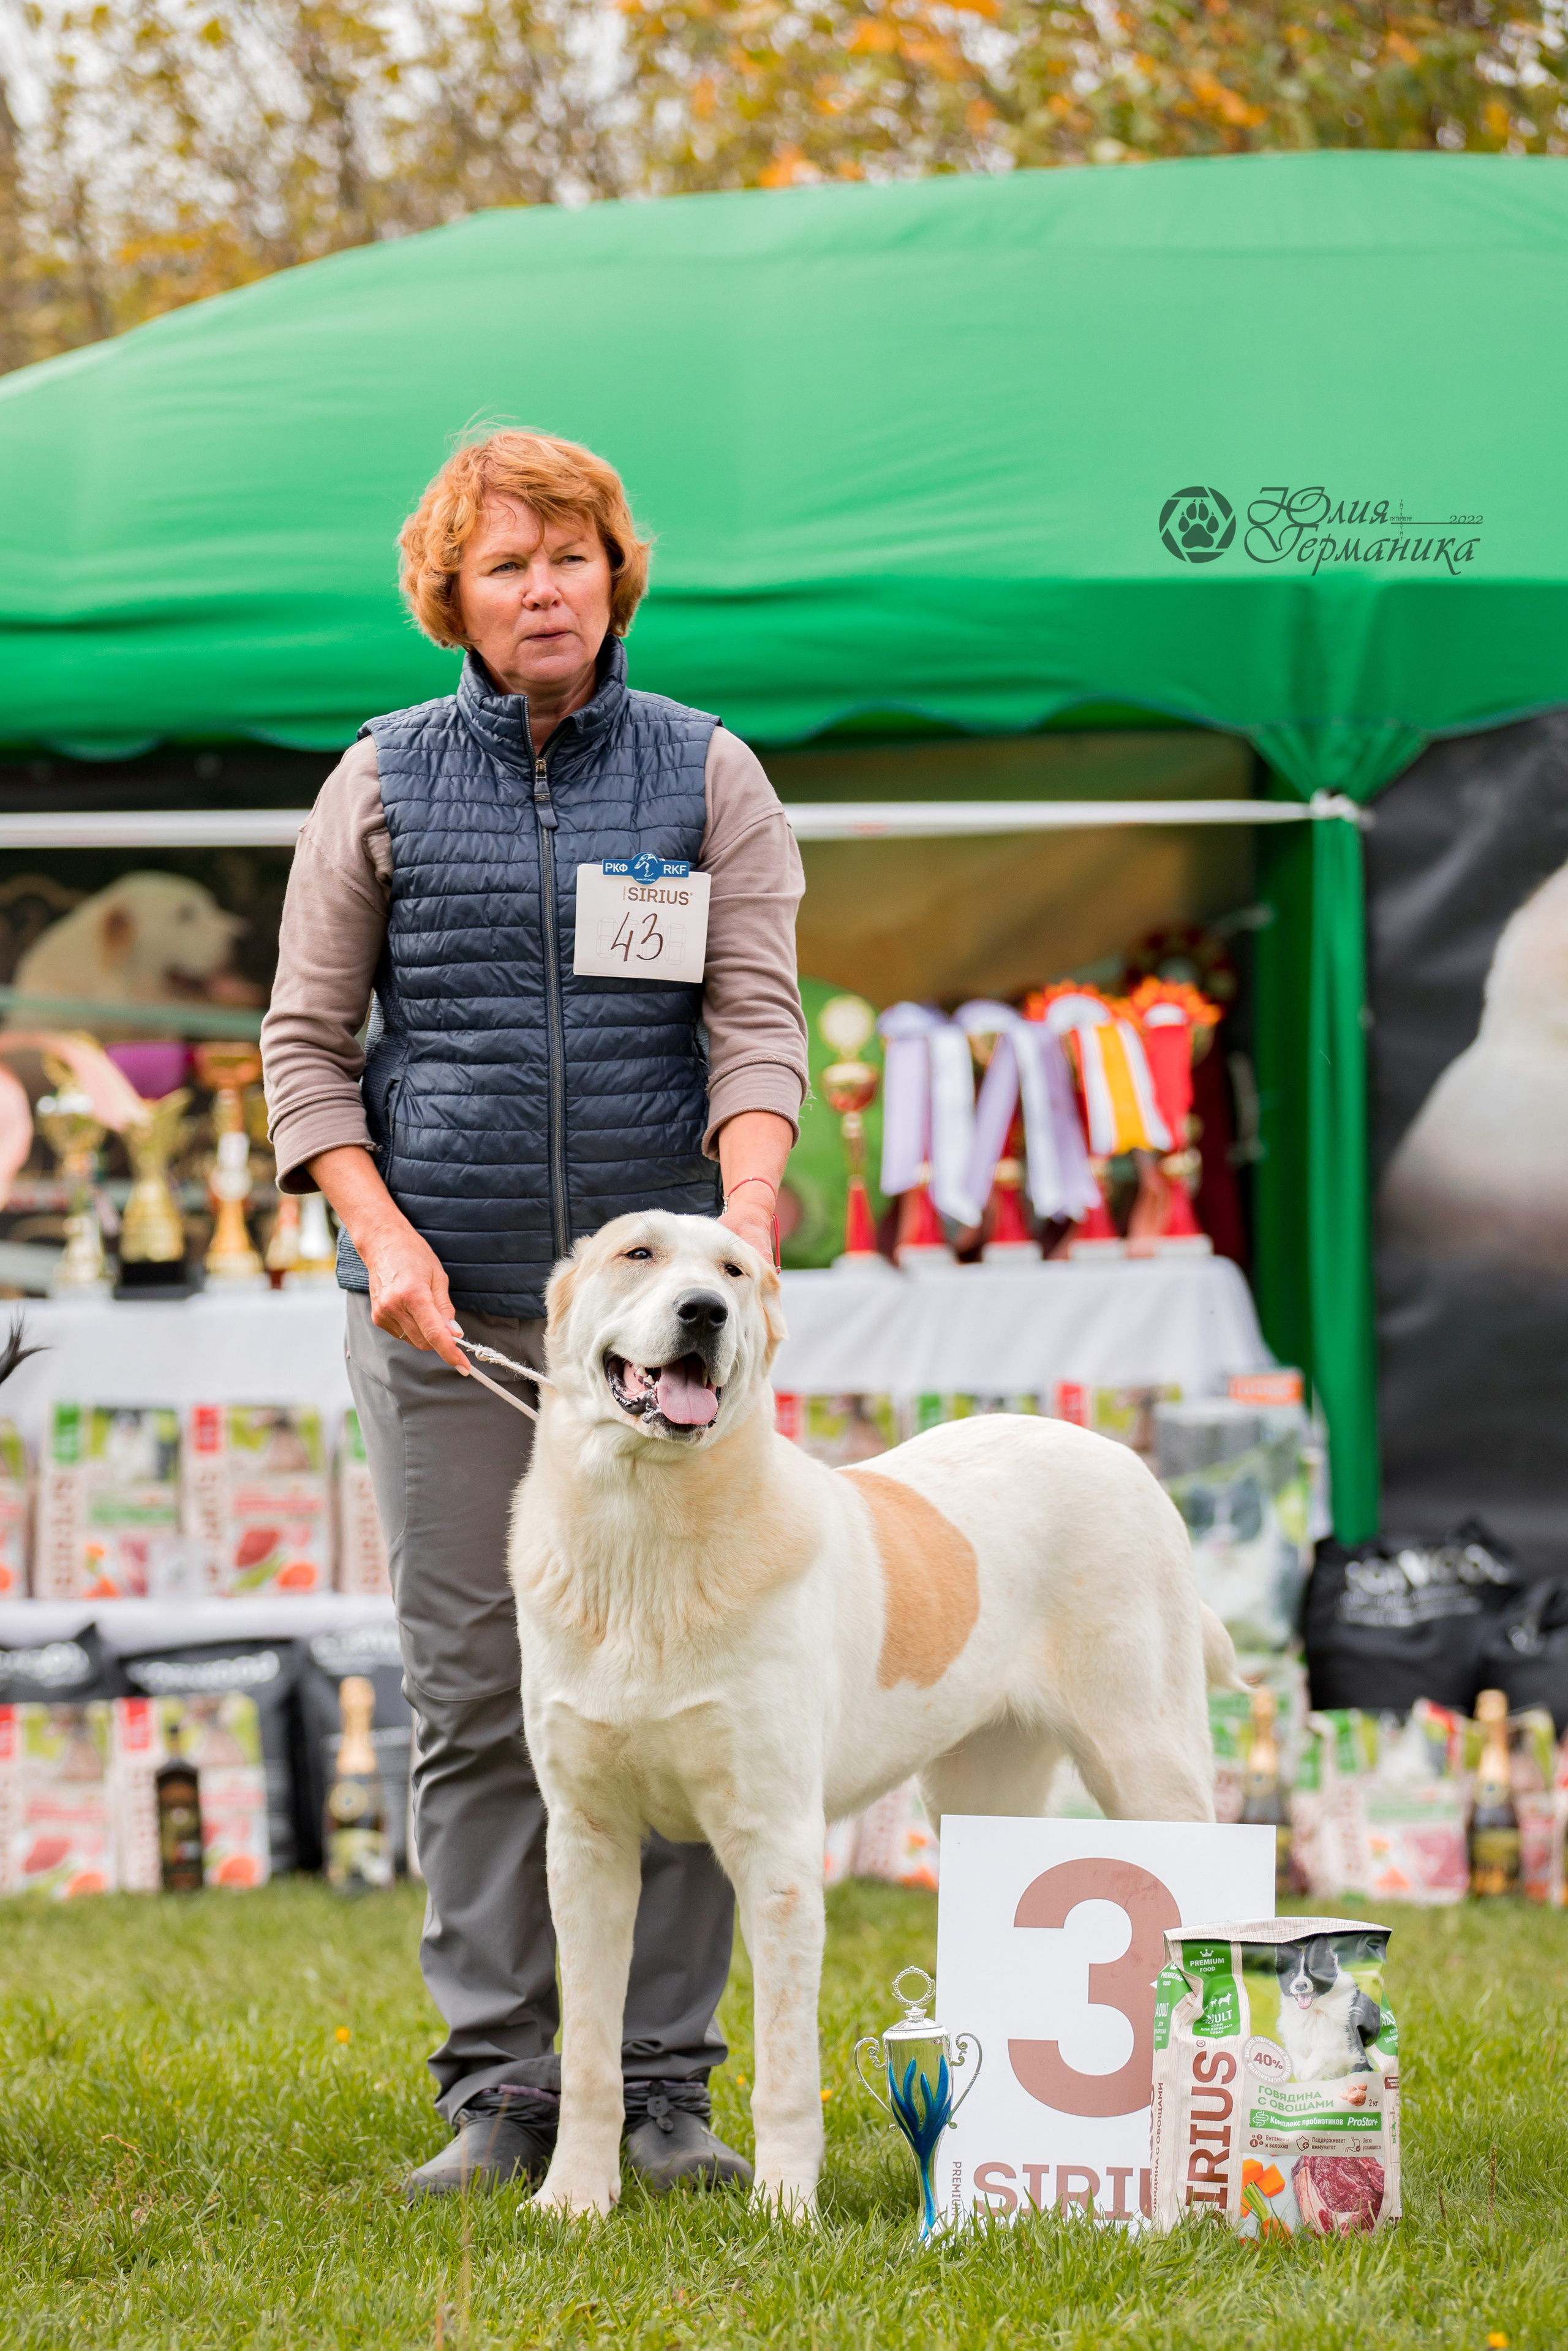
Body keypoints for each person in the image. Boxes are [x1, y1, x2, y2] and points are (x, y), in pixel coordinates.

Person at [261, 428, 807, 2202]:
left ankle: (661, 2090)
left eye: (568, 555)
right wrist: (381, 1239)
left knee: (713, 1688)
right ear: (455, 600)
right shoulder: (384, 780)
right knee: (487, 1696)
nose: (543, 588)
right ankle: (505, 2090)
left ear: (614, 575)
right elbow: (301, 1048)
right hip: (446, 1320)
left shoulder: (713, 774)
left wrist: (734, 1233)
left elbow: (755, 1020)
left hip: (668, 1343)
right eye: (505, 565)